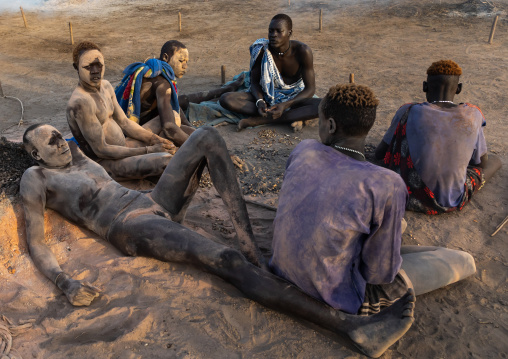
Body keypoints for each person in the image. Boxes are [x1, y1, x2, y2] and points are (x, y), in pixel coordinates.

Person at [22, 123, 415, 358]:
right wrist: (64, 280)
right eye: (49, 141)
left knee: (207, 135)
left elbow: (116, 167)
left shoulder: (76, 155)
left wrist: (157, 157)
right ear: (33, 154)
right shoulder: (37, 179)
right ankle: (350, 328)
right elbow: (36, 240)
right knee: (226, 262)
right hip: (129, 226)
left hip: (149, 202)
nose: (59, 142)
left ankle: (247, 239)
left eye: (58, 135)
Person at [269, 84, 476, 343]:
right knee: (463, 260)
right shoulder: (385, 183)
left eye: (319, 120)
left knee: (392, 230)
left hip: (281, 267)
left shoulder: (304, 149)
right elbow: (379, 274)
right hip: (334, 294)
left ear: (330, 125)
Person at [375, 60, 501, 214]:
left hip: (408, 194)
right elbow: (481, 163)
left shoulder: (407, 111)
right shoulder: (473, 114)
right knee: (494, 161)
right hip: (450, 199)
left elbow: (380, 153)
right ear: (459, 89)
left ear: (424, 86)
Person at [66, 41, 176, 181]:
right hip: (105, 163)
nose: (95, 71)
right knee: (165, 162)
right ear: (77, 68)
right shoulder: (80, 103)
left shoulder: (105, 86)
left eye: (98, 65)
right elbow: (101, 150)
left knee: (170, 118)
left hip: (124, 147)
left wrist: (154, 140)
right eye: (88, 67)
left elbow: (124, 122)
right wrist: (149, 150)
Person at [115, 40, 245, 146]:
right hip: (132, 133)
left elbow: (176, 105)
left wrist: (192, 129)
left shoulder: (156, 73)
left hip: (137, 124)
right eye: (181, 61)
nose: (185, 66)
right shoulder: (162, 84)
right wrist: (200, 148)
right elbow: (169, 128)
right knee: (175, 123)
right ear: (166, 58)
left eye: (186, 62)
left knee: (189, 127)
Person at [219, 14, 320, 131]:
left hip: (294, 97)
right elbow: (254, 82)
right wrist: (259, 102)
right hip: (267, 94)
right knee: (226, 99)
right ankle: (281, 115)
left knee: (323, 105)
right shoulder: (262, 50)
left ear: (289, 33)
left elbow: (310, 89)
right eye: (271, 31)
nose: (273, 35)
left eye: (279, 31)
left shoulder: (303, 51)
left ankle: (257, 120)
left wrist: (285, 105)